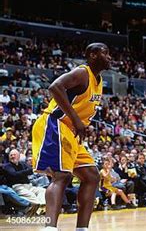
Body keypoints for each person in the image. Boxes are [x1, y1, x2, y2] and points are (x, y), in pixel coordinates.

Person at [31, 43, 110, 231]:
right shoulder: (82, 72)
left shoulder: (98, 82)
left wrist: (81, 124)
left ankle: (82, 228)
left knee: (91, 176)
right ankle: (49, 228)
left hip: (71, 132)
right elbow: (55, 87)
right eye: (105, 53)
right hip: (55, 124)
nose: (109, 57)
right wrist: (76, 120)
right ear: (92, 55)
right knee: (61, 176)